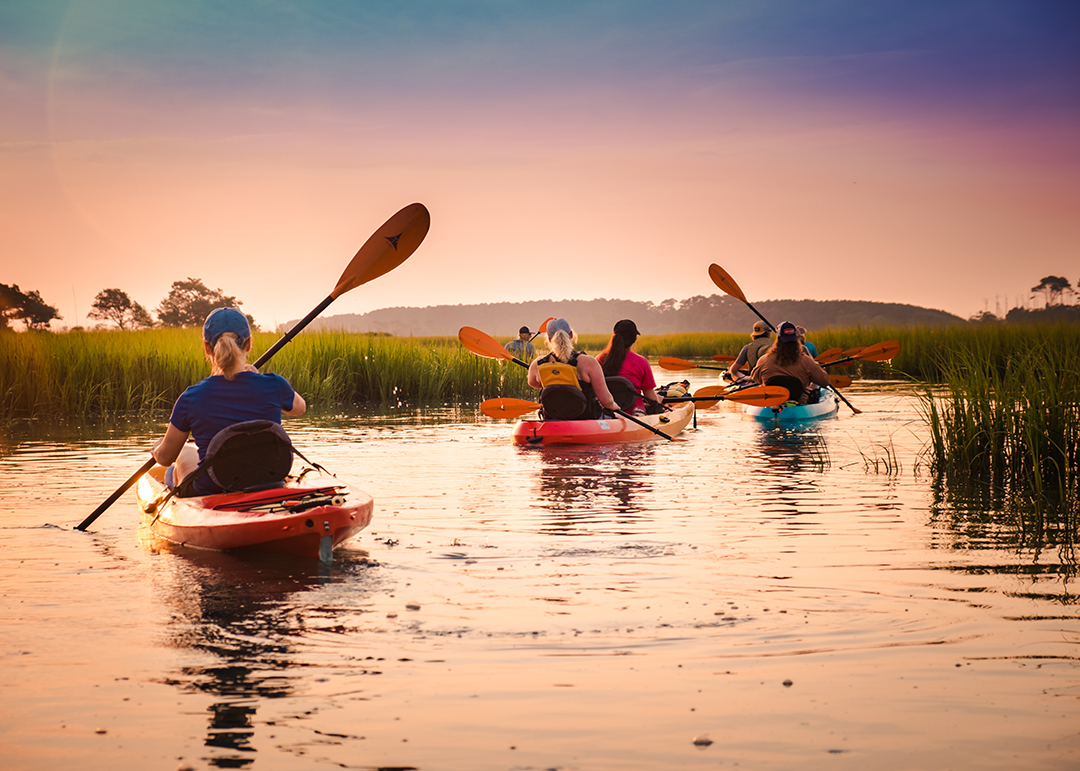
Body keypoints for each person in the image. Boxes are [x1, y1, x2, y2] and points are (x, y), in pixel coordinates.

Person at [152, 307, 307, 494]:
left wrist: (156, 450)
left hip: (212, 489)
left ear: (207, 348)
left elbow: (165, 457)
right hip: (269, 479)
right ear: (249, 344)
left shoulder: (190, 397)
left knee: (180, 455)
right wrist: (262, 381)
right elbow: (300, 408)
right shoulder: (274, 384)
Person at [527, 317, 618, 419]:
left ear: (549, 339)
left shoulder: (538, 364)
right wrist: (615, 408)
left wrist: (555, 378)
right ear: (570, 335)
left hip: (552, 419)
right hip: (585, 419)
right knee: (616, 416)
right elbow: (606, 401)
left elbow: (533, 383)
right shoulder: (588, 362)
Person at [750, 320, 832, 404]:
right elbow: (825, 382)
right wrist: (816, 365)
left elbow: (756, 379)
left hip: (772, 406)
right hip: (799, 406)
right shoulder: (807, 361)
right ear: (796, 340)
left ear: (778, 339)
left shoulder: (764, 360)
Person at [595, 319, 663, 415]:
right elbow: (651, 399)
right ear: (634, 339)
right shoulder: (642, 362)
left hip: (607, 412)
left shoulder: (599, 359)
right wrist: (658, 399)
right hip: (634, 413)